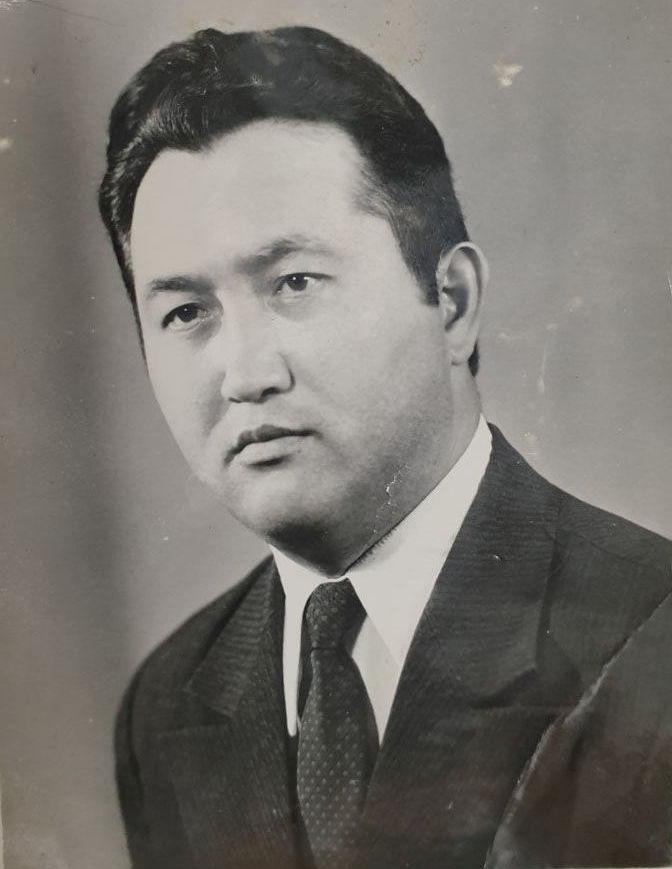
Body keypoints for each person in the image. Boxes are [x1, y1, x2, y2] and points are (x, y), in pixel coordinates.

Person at [98, 25, 672, 869]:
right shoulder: (164, 705)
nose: (246, 374)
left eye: (295, 282)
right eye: (185, 312)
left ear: (452, 300)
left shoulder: (653, 637)